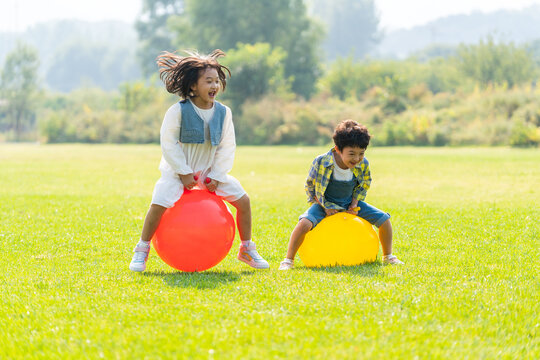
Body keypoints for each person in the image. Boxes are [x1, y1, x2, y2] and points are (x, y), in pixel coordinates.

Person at [129, 49, 269, 272]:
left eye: (217, 81)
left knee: (244, 201)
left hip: (209, 174)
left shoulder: (224, 113)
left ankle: (246, 248)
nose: (214, 86)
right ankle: (142, 249)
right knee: (158, 203)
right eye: (208, 81)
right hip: (178, 173)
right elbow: (168, 143)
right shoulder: (178, 111)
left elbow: (227, 146)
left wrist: (216, 176)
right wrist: (183, 172)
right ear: (193, 86)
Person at [279, 120, 403, 270]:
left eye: (361, 153)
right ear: (338, 149)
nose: (356, 159)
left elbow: (364, 184)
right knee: (304, 224)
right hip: (323, 203)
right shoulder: (321, 162)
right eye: (352, 154)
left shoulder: (363, 164)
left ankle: (388, 256)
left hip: (349, 202)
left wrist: (354, 203)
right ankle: (288, 260)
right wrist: (325, 207)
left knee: (385, 220)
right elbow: (310, 186)